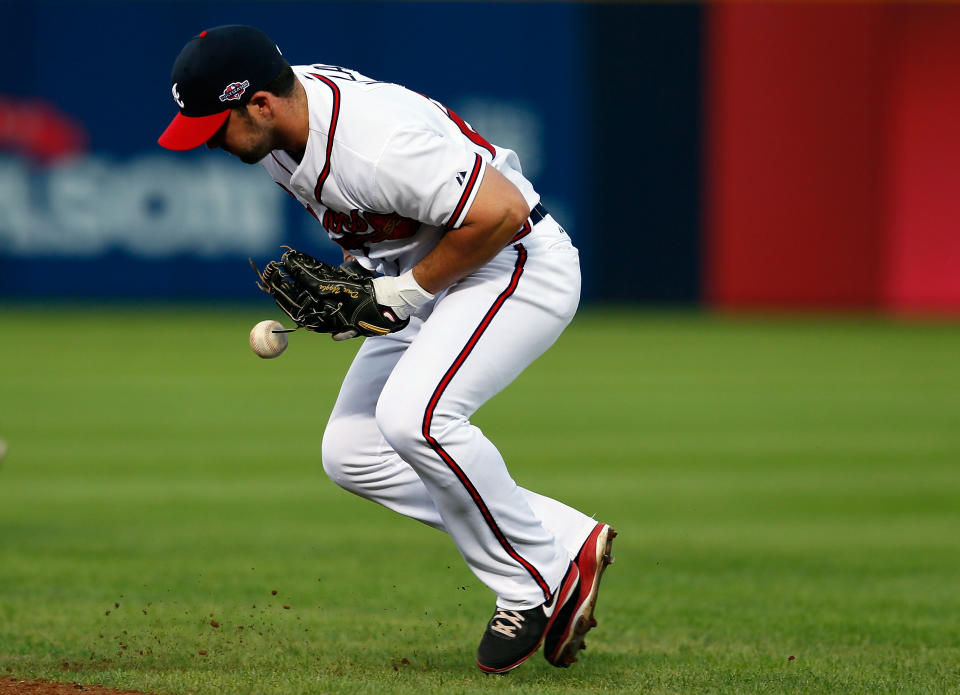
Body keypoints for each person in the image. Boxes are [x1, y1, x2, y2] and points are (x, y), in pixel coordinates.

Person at [158, 25, 615, 673]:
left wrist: (401, 292)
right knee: (352, 450)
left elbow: (502, 211)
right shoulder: (280, 131)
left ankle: (533, 581)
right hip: (433, 276)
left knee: (414, 418)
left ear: (260, 104)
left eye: (214, 125)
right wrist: (366, 293)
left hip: (512, 263)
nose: (210, 141)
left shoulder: (374, 143)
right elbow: (381, 232)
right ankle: (563, 541)